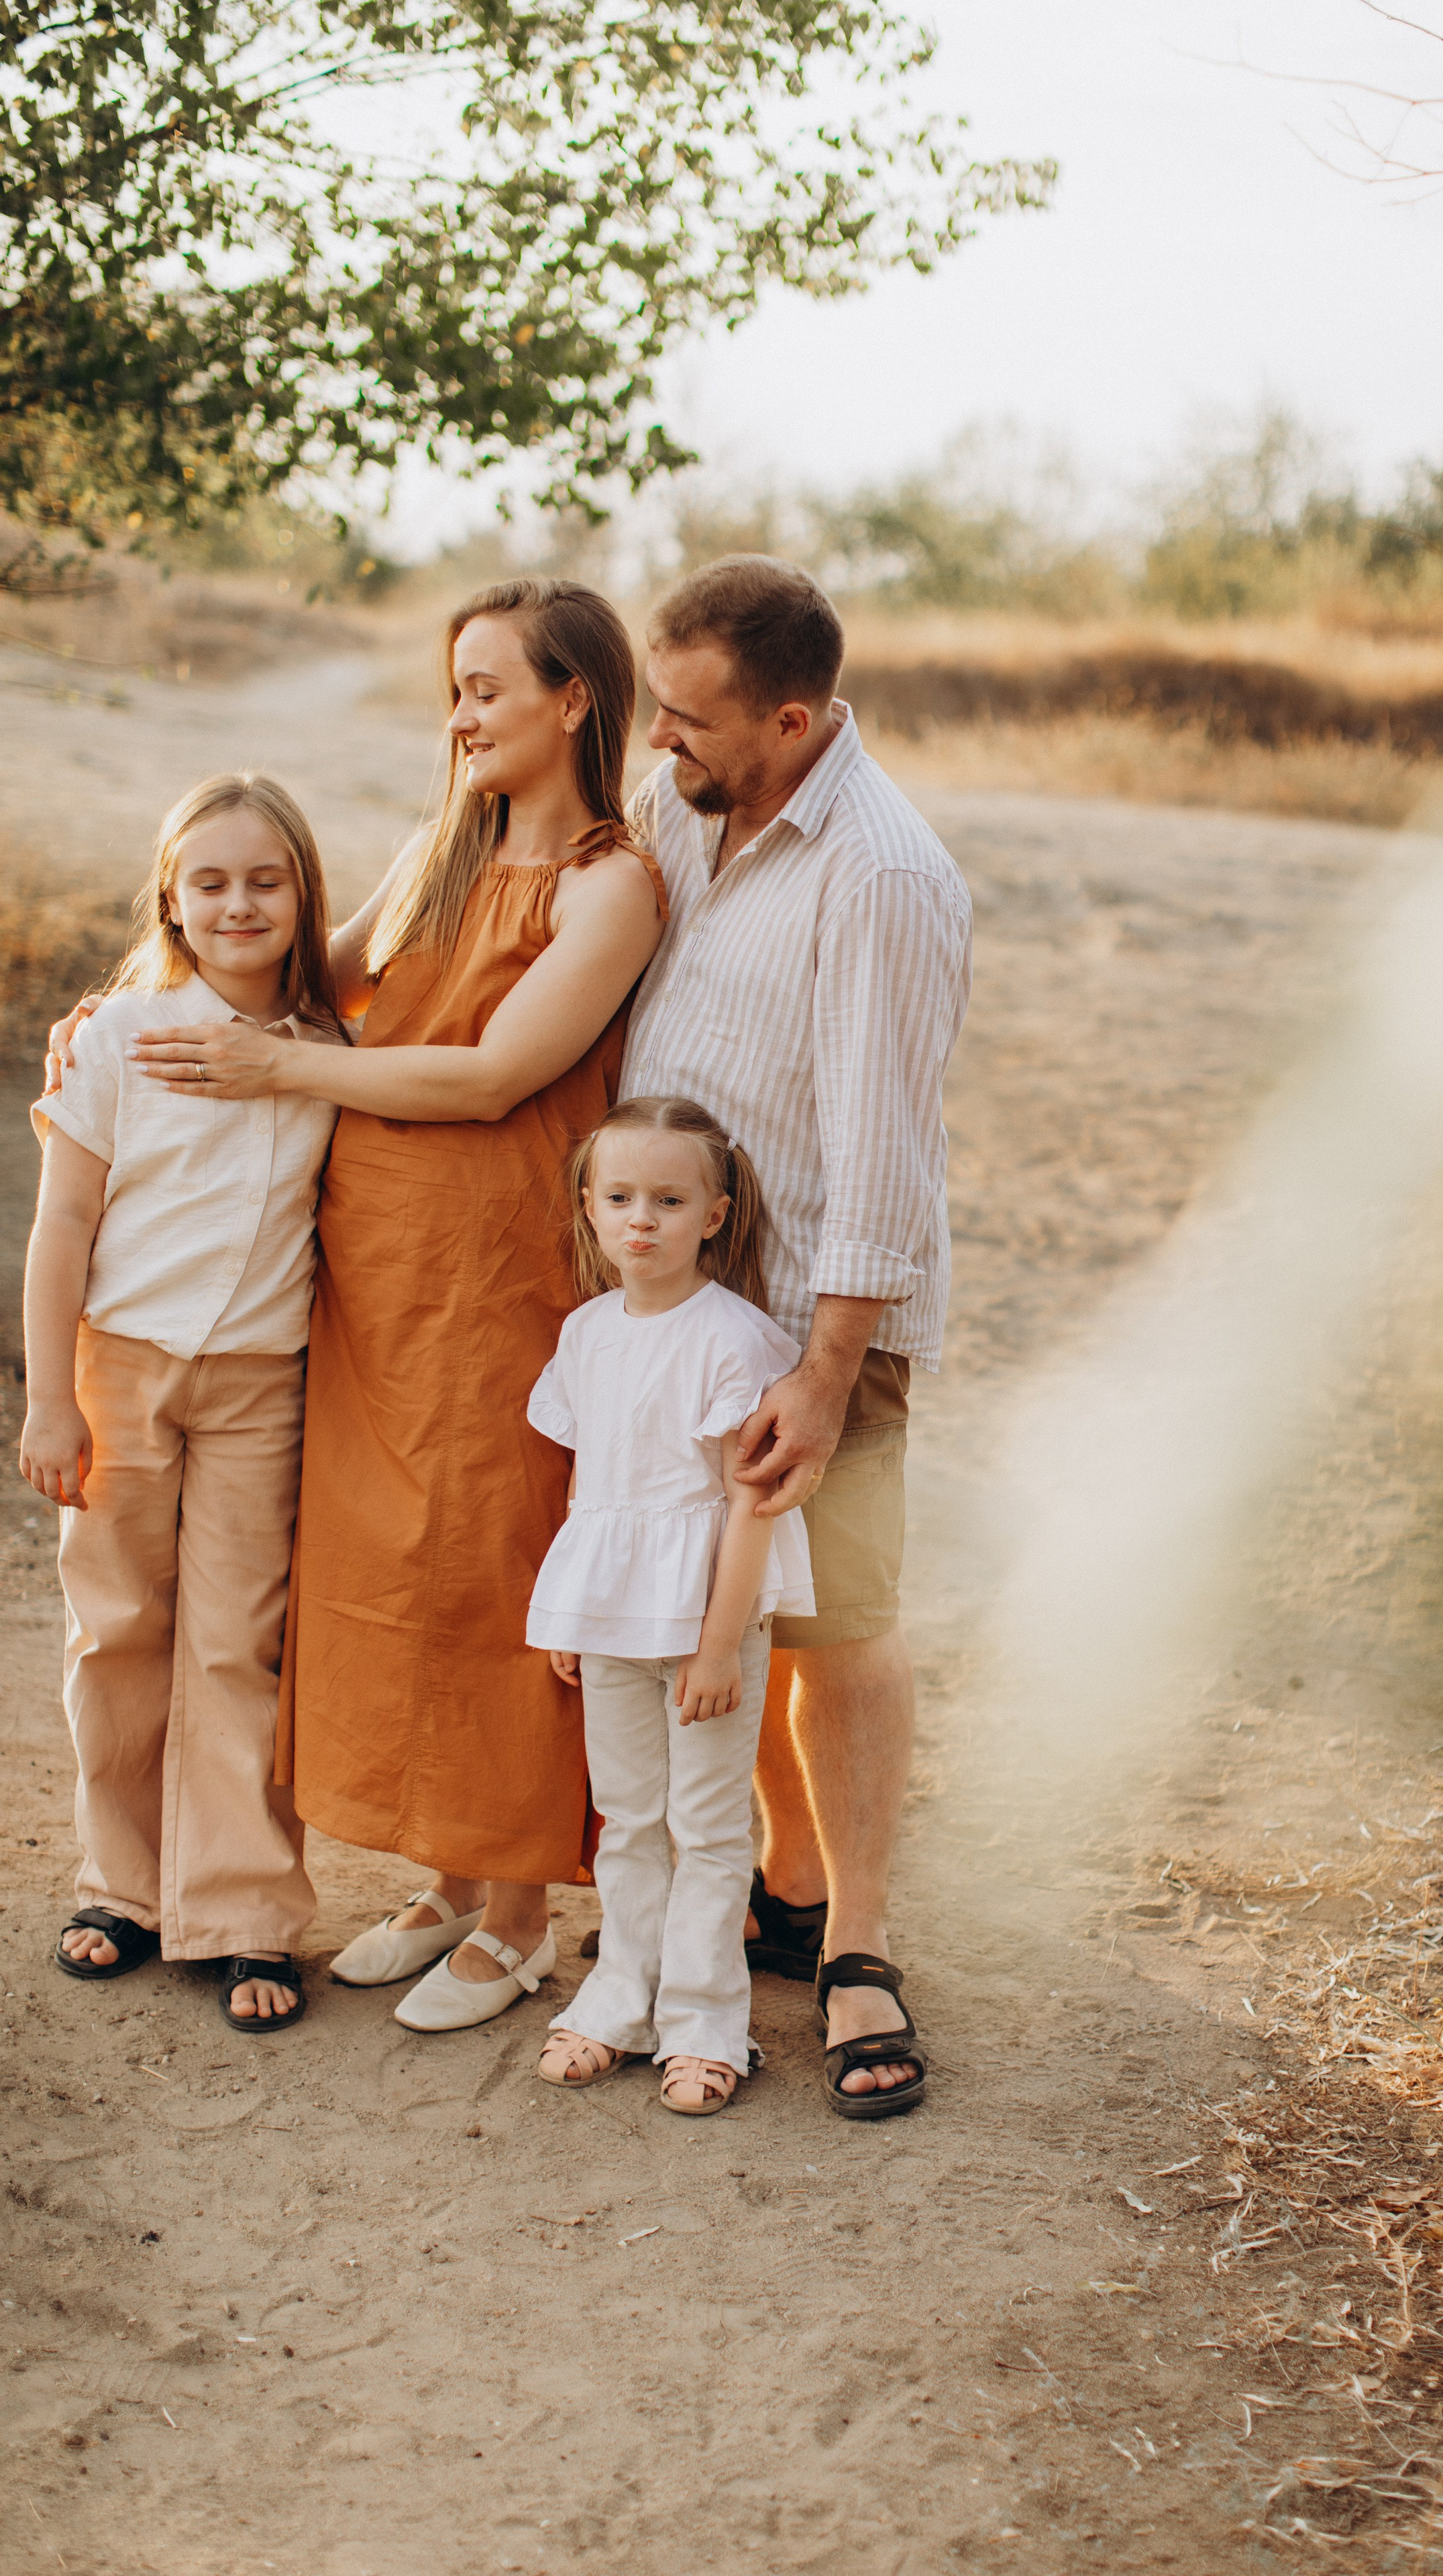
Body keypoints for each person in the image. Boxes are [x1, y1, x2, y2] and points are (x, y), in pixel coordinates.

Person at [115, 580, 668, 2029]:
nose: (462, 714)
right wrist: (137, 1006)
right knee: (385, 1566)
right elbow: (311, 975)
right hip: (371, 1274)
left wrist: (283, 1073)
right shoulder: (446, 847)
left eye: (488, 687)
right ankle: (440, 1878)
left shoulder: (612, 884)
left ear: (573, 701)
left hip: (497, 1269)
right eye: (455, 687)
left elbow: (495, 1074)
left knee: (491, 1560)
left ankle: (520, 1911)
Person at [623, 555, 971, 2112]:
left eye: (688, 720)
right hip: (686, 1306)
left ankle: (860, 1954)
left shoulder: (881, 876)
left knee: (844, 1627)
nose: (655, 742)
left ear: (791, 716)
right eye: (650, 706)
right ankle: (785, 1888)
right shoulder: (689, 810)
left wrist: (828, 1373)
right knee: (728, 1609)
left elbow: (881, 1152)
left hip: (820, 1317)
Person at [20, 773, 345, 2031]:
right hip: (122, 1364)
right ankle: (124, 1886)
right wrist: (52, 1400)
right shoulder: (117, 1034)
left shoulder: (329, 1045)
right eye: (209, 881)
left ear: (302, 890)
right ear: (172, 894)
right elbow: (61, 1229)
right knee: (119, 1627)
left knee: (236, 1639)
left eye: (266, 879)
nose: (239, 903)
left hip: (263, 1381)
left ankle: (244, 1910)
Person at [529, 1097, 850, 2114]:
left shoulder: (734, 1340)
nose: (642, 1220)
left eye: (669, 1200)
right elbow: (595, 1484)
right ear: (588, 1208)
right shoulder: (586, 1334)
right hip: (613, 1609)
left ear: (713, 1215)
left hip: (710, 1617)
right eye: (619, 1198)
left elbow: (750, 1505)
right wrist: (577, 1616)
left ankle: (708, 2021)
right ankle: (619, 1998)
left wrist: (719, 1649)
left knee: (709, 1828)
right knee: (628, 1816)